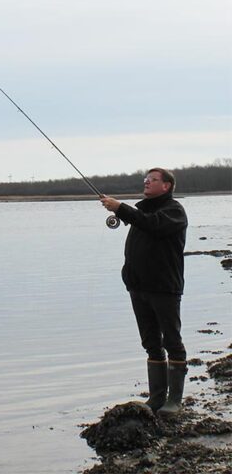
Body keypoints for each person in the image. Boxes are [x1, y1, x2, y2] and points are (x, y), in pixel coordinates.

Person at [100, 168, 188, 417]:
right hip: (138, 288)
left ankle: (174, 401)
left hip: (164, 288)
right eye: (145, 179)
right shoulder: (143, 211)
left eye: (153, 179)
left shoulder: (174, 211)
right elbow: (142, 222)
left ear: (167, 186)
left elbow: (154, 226)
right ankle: (157, 397)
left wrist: (121, 208)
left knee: (172, 342)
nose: (147, 182)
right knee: (151, 343)